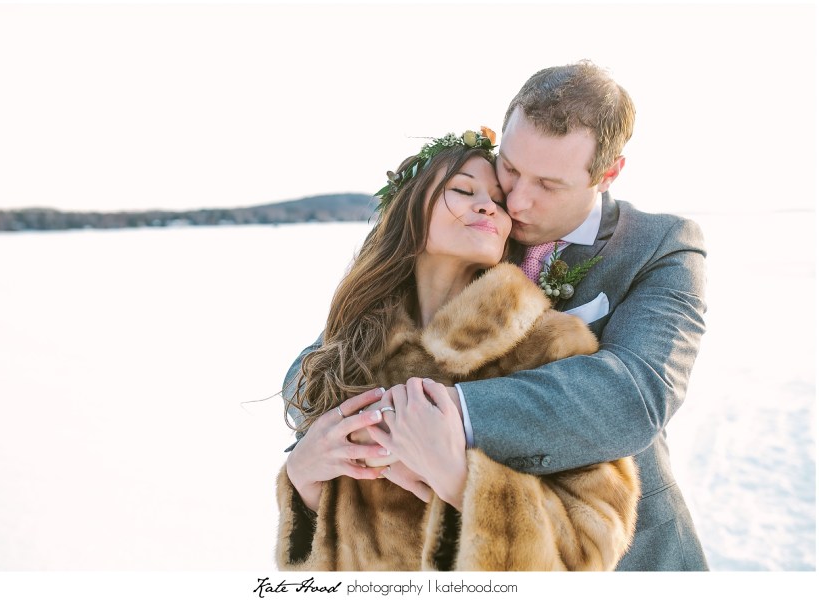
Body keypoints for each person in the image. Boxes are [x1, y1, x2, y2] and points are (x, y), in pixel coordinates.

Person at [283, 60, 709, 571]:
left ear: (608, 172)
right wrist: (312, 452)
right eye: (510, 167)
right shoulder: (477, 232)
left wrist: (442, 417)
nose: (517, 200)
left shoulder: (660, 246)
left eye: (549, 185)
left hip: (624, 552)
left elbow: (634, 394)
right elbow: (328, 359)